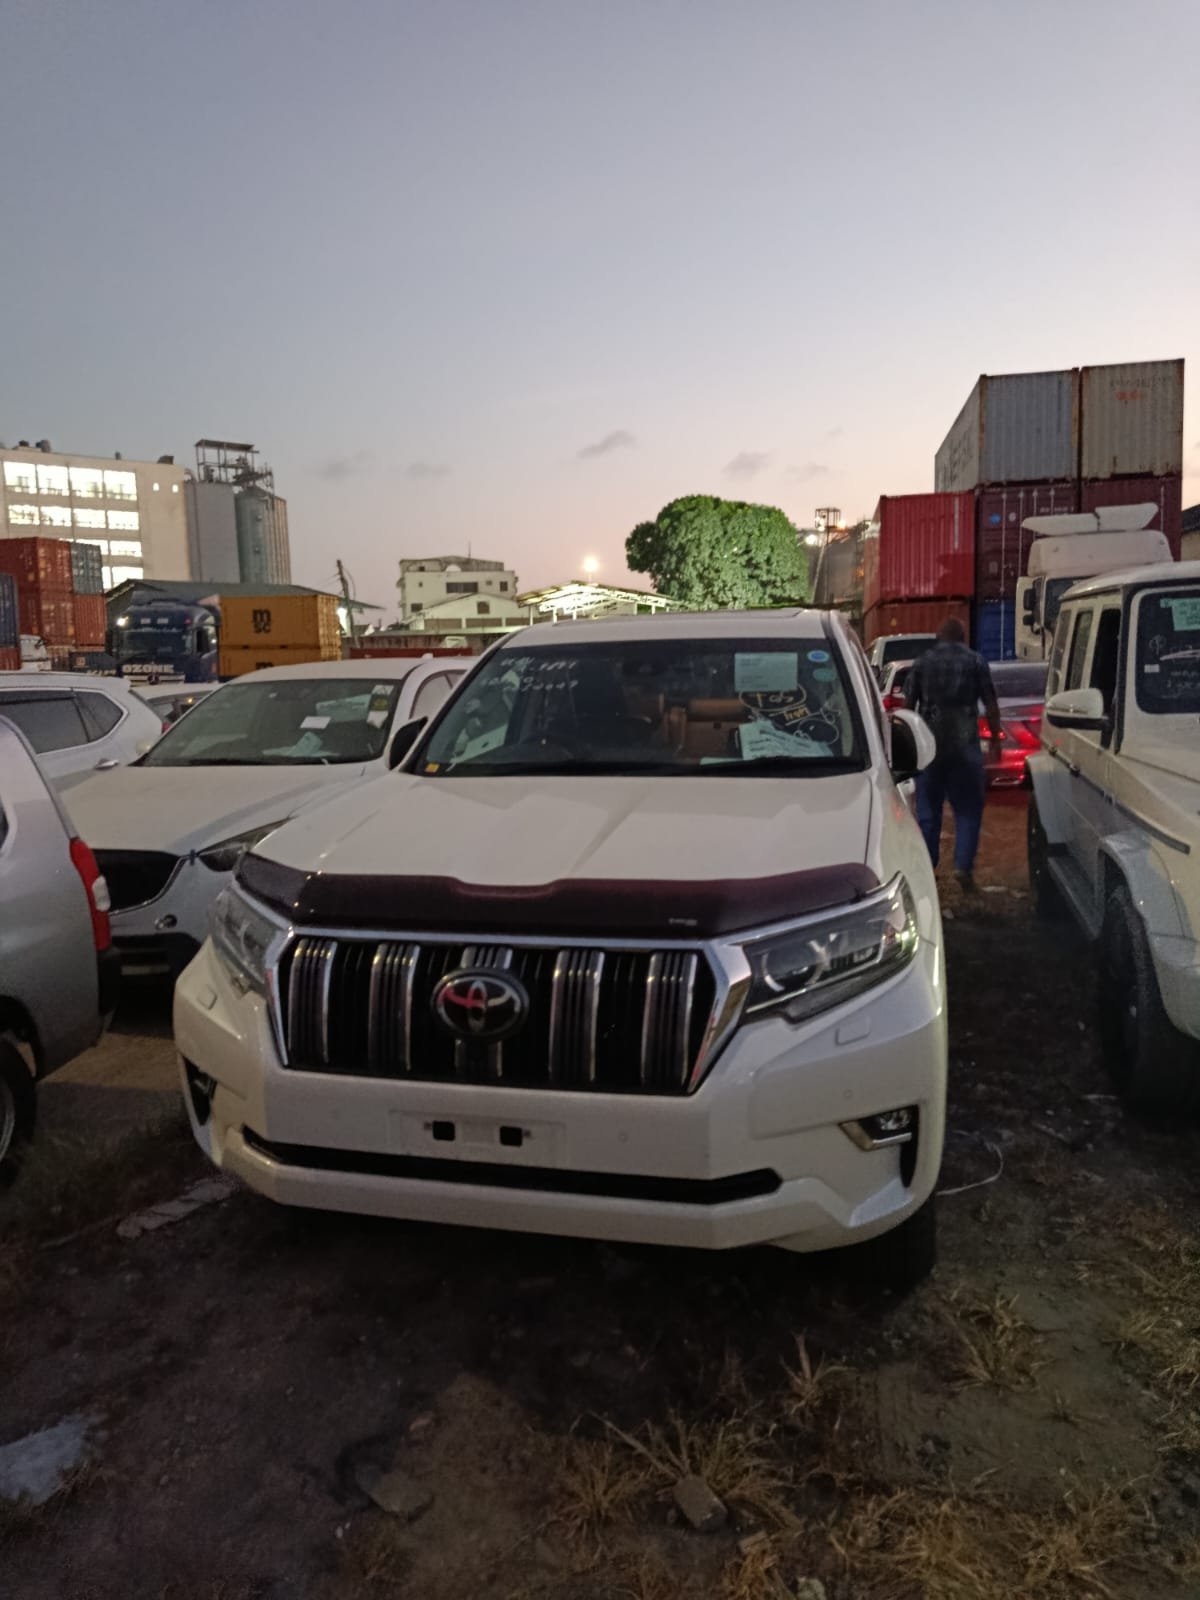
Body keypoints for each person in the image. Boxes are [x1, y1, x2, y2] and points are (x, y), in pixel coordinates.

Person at [903, 618, 1001, 892]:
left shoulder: (922, 662)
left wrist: (906, 745)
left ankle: (928, 868)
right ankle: (962, 866)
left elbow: (908, 706)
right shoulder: (976, 661)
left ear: (939, 636)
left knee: (928, 811)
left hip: (929, 747)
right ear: (962, 636)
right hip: (964, 744)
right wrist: (995, 739)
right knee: (968, 808)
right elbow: (991, 703)